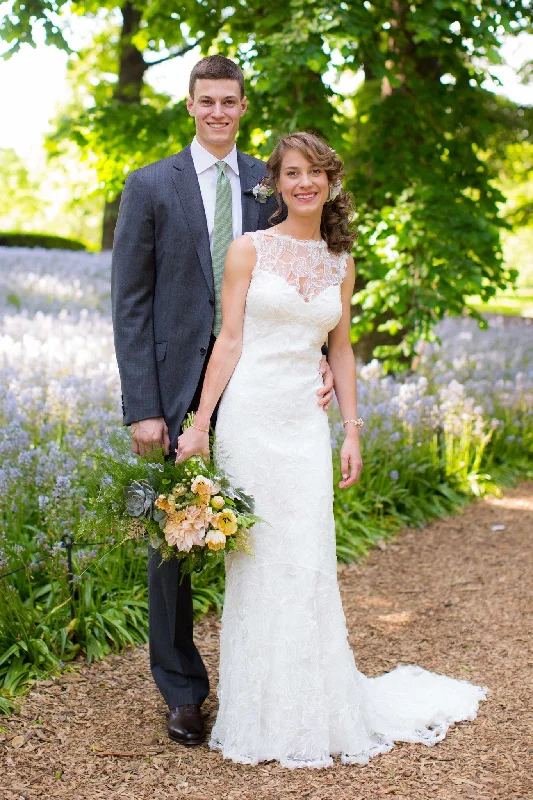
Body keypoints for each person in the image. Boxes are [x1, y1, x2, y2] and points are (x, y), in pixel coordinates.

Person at [176, 131, 488, 768]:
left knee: (307, 559)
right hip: (250, 419)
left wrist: (351, 428)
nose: (304, 183)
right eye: (292, 173)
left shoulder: (340, 262)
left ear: (330, 182)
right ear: (276, 183)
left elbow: (339, 348)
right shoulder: (247, 251)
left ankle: (314, 708)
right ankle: (256, 712)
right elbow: (229, 341)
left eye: (314, 173)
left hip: (303, 427)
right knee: (257, 562)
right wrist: (199, 422)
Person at [111, 57, 334, 748]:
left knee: (269, 535)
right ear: (189, 106)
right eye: (205, 100)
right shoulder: (150, 185)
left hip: (262, 386)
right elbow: (131, 304)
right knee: (172, 545)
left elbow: (296, 279)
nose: (217, 112)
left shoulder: (268, 191)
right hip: (177, 388)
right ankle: (182, 691)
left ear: (242, 108)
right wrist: (143, 406)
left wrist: (318, 354)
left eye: (228, 102)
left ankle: (266, 684)